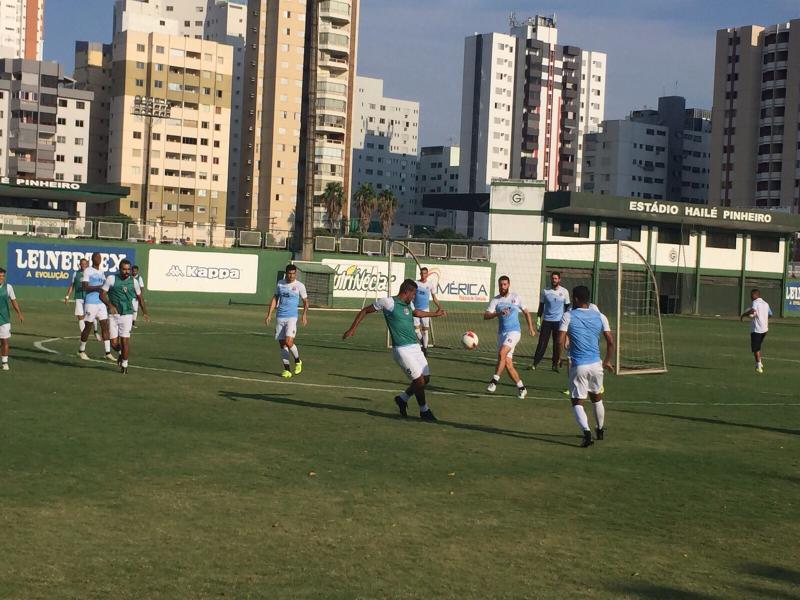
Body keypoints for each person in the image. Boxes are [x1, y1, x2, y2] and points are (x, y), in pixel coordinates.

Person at [343, 279, 446, 421]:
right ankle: (424, 411)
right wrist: (352, 329)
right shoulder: (388, 302)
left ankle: (402, 399)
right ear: (407, 292)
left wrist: (435, 314)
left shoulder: (408, 303)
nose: (415, 297)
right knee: (419, 381)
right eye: (414, 293)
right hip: (402, 349)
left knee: (425, 379)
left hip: (415, 347)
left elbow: (416, 312)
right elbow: (365, 310)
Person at [558, 285, 615, 448]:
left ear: (575, 299)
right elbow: (610, 341)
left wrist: (558, 357)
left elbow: (559, 340)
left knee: (577, 401)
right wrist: (607, 361)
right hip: (597, 365)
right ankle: (600, 429)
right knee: (597, 397)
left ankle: (587, 432)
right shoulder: (600, 316)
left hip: (579, 365)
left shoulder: (568, 316)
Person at [484, 275, 536, 399]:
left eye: (505, 284)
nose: (503, 287)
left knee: (502, 353)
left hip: (514, 332)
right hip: (501, 333)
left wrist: (530, 328)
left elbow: (526, 312)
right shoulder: (495, 300)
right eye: (501, 284)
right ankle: (522, 388)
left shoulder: (516, 297)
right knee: (508, 364)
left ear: (508, 285)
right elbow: (486, 316)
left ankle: (494, 381)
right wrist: (498, 313)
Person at [100, 259, 149, 374]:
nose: (127, 271)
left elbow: (140, 297)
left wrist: (144, 312)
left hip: (127, 315)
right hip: (113, 315)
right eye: (124, 269)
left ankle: (125, 365)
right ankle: (121, 353)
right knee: (114, 344)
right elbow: (101, 295)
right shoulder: (111, 279)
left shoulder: (134, 282)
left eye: (128, 269)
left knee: (125, 341)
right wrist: (110, 305)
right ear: (119, 269)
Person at [265, 264, 309, 378]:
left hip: (292, 317)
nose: (292, 276)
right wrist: (269, 314)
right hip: (280, 316)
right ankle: (287, 370)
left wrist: (304, 314)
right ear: (286, 273)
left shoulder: (299, 286)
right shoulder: (280, 283)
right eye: (290, 273)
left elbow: (305, 301)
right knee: (282, 344)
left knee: (289, 342)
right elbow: (275, 298)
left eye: (294, 273)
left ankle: (298, 361)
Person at [78, 252, 114, 361]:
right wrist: (98, 287)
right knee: (88, 326)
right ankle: (81, 350)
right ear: (93, 259)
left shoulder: (102, 273)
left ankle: (108, 353)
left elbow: (105, 288)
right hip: (91, 302)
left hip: (101, 303)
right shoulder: (88, 271)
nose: (99, 259)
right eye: (96, 257)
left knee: (105, 325)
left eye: (100, 257)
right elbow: (84, 287)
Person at [533, 271, 571, 372]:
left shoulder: (564, 292)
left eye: (555, 278)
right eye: (552, 278)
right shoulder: (545, 291)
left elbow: (567, 308)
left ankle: (555, 365)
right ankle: (534, 363)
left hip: (559, 322)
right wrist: (538, 320)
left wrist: (566, 322)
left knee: (557, 343)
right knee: (542, 343)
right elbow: (541, 306)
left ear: (559, 279)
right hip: (546, 321)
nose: (553, 280)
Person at [740, 288, 772, 374]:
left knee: (755, 349)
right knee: (758, 347)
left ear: (755, 295)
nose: (750, 297)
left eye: (751, 295)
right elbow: (770, 314)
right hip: (765, 329)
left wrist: (744, 314)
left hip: (757, 330)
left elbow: (753, 311)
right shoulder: (766, 303)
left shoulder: (755, 302)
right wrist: (763, 319)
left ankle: (758, 366)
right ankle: (760, 363)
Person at [0, 267, 24, 371]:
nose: (1, 278)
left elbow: (13, 301)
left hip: (4, 318)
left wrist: (19, 313)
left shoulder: (8, 287)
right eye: (0, 276)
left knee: (4, 340)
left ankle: (5, 362)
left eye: (3, 276)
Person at [413, 266, 440, 356]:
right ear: (420, 274)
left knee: (425, 331)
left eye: (425, 273)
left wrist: (439, 306)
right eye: (422, 273)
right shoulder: (415, 283)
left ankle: (424, 349)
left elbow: (434, 297)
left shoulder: (431, 284)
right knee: (416, 330)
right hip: (415, 310)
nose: (423, 275)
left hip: (425, 310)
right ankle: (423, 343)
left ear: (427, 274)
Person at [64, 258, 89, 334]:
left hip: (88, 297)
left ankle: (95, 331)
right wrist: (67, 296)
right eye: (82, 264)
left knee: (89, 316)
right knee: (80, 316)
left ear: (87, 265)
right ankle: (83, 333)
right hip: (78, 297)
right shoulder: (76, 273)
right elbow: (72, 286)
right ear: (80, 264)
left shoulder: (90, 273)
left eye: (85, 264)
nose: (83, 265)